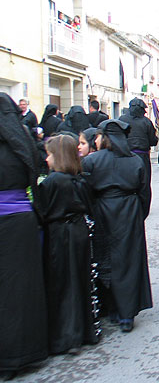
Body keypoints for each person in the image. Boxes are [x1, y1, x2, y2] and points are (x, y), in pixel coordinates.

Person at [81, 119, 153, 333]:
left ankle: (110, 307)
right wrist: (139, 214)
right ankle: (127, 314)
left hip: (102, 210)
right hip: (129, 212)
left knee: (105, 257)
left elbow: (86, 191)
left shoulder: (92, 161)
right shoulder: (135, 161)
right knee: (128, 260)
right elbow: (144, 192)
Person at [0, 93, 48, 378]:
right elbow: (37, 174)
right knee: (21, 288)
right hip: (20, 221)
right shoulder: (23, 141)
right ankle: (23, 352)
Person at [39, 134, 100, 354]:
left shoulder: (52, 182)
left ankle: (66, 335)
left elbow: (43, 212)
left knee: (62, 283)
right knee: (80, 280)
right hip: (79, 231)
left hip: (60, 234)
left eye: (49, 155)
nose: (47, 160)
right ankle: (83, 330)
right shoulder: (81, 179)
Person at [119, 98, 158, 218]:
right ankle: (143, 206)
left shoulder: (121, 120)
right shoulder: (146, 122)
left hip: (125, 155)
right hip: (142, 156)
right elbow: (152, 141)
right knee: (144, 182)